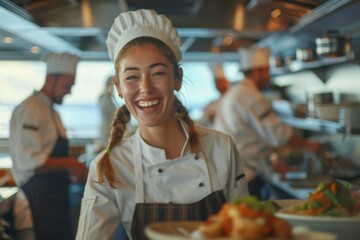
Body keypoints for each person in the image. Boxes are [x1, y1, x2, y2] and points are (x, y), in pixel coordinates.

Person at [76, 9, 249, 240]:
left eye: (157, 73)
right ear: (118, 86)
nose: (145, 88)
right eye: (132, 77)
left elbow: (248, 230)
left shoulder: (221, 147)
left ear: (177, 78)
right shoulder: (107, 166)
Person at [213, 46, 320, 200]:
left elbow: (255, 133)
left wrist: (273, 157)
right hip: (245, 174)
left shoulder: (234, 92)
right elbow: (278, 135)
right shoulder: (250, 96)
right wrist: (307, 145)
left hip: (229, 172)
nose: (269, 76)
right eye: (267, 70)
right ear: (257, 71)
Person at [9, 52, 89, 240]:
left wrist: (69, 171)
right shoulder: (31, 108)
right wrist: (71, 163)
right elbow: (33, 162)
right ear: (51, 79)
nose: (69, 91)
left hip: (55, 196)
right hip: (38, 197)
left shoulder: (51, 111)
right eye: (67, 86)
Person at [97, 75, 117, 150]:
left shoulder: (106, 98)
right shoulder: (105, 98)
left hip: (106, 130)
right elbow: (112, 114)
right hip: (107, 132)